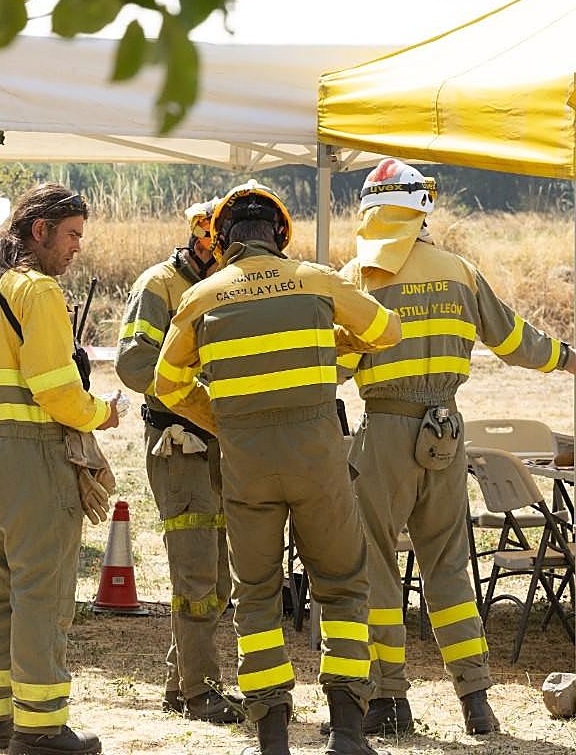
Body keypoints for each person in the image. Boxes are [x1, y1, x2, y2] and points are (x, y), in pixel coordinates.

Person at [337, 159, 576, 737]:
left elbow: (336, 365)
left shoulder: (358, 276)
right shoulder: (460, 272)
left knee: (377, 566)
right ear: (423, 206)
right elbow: (512, 340)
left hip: (383, 432)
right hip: (448, 434)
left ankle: (388, 701)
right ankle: (476, 702)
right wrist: (567, 358)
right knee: (450, 568)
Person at [154, 180, 401, 755]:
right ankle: (346, 731)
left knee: (258, 596)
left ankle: (271, 735)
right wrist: (329, 341)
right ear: (281, 234)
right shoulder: (314, 278)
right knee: (341, 588)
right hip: (318, 462)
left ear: (220, 241)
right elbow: (386, 331)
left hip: (246, 466)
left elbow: (166, 384)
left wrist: (223, 422)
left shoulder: (202, 297)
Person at [0, 184, 120, 755]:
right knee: (41, 594)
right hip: (33, 459)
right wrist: (103, 413)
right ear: (39, 230)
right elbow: (56, 391)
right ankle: (42, 728)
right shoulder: (38, 292)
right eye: (71, 235)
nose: (76, 248)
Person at [115, 199, 242, 724]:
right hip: (180, 443)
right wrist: (200, 398)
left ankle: (181, 682)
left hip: (219, 443)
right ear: (202, 239)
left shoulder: (232, 284)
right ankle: (201, 691)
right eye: (222, 243)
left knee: (218, 578)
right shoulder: (159, 286)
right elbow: (133, 362)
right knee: (195, 574)